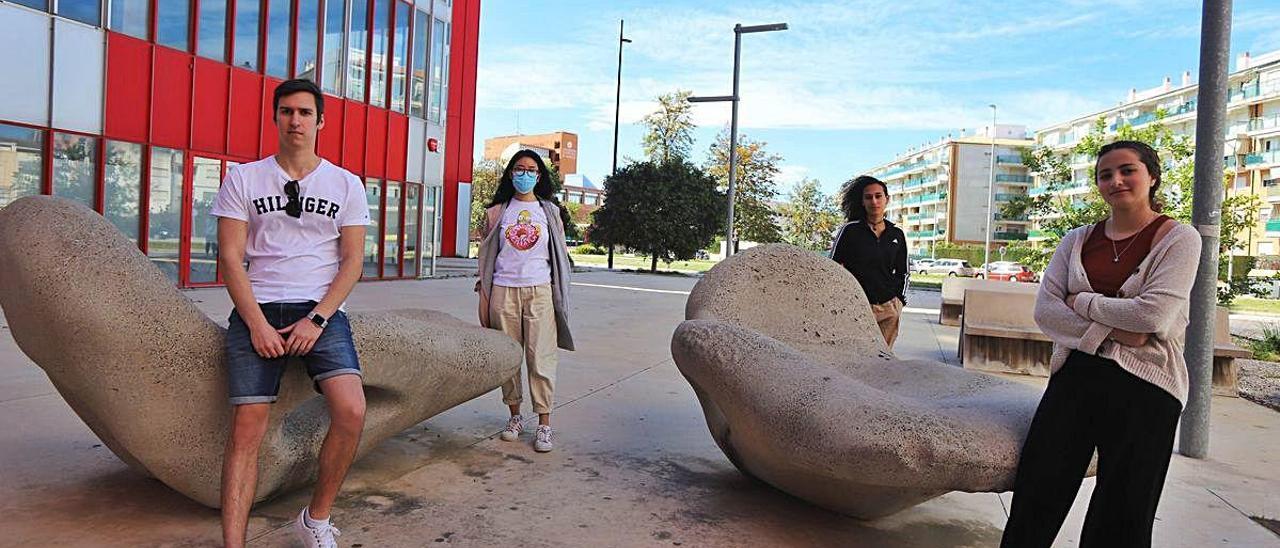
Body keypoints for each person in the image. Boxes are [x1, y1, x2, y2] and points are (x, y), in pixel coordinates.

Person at [1001, 140, 1201, 547]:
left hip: (1147, 386)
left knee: (1124, 511)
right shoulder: (1076, 241)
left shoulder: (1179, 239)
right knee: (1038, 492)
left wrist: (1084, 302)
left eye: (1127, 170)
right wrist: (1118, 327)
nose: (1116, 180)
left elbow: (1152, 317)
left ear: (1152, 175)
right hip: (1076, 375)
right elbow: (1046, 312)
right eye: (1105, 174)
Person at [212, 79, 370, 548]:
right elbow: (229, 257)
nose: (295, 120)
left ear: (320, 120)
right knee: (246, 430)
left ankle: (315, 519)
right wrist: (257, 324)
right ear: (276, 117)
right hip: (257, 306)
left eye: (304, 112)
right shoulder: (244, 178)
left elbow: (352, 262)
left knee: (352, 409)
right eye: (286, 112)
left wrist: (318, 319)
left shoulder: (345, 184)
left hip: (319, 311)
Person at [476, 150, 575, 453]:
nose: (525, 174)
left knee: (541, 357)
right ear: (510, 174)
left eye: (531, 169)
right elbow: (485, 255)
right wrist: (483, 293)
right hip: (503, 290)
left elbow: (558, 254)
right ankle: (515, 417)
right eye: (519, 169)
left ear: (539, 176)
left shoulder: (550, 212)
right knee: (509, 358)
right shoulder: (497, 212)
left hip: (540, 291)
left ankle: (544, 424)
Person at [830, 175, 909, 348]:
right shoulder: (850, 230)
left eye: (878, 196)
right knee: (855, 356)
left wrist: (899, 301)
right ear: (862, 202)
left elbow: (904, 271)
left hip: (888, 307)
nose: (874, 201)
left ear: (887, 199)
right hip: (856, 306)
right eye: (868, 197)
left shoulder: (897, 234)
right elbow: (834, 267)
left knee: (883, 359)